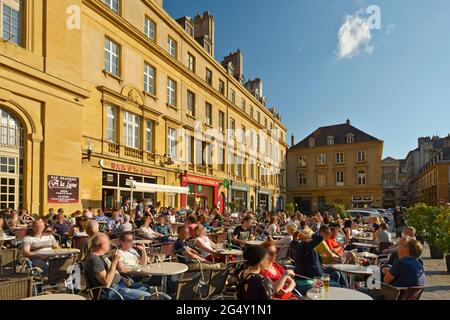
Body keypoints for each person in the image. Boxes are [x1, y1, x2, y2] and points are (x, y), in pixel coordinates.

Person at [84, 233, 151, 300]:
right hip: (110, 292)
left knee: (146, 287)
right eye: (107, 242)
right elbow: (106, 283)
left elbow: (110, 272)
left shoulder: (101, 255)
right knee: (146, 295)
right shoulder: (94, 260)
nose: (110, 244)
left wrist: (122, 278)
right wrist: (114, 261)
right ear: (101, 245)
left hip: (120, 285)